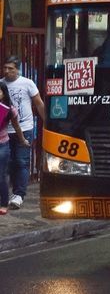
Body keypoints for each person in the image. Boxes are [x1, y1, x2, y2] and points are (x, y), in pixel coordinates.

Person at [1, 56, 45, 210]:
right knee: (8, 163)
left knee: (21, 161)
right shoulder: (1, 84)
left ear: (17, 69)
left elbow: (38, 103)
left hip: (25, 127)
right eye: (5, 68)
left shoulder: (27, 83)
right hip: (6, 130)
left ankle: (19, 194)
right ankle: (9, 193)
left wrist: (47, 122)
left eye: (10, 68)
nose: (7, 71)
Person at [0, 81, 29, 215]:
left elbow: (17, 127)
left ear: (3, 93)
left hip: (2, 146)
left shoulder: (9, 110)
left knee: (1, 176)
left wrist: (22, 140)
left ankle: (3, 203)